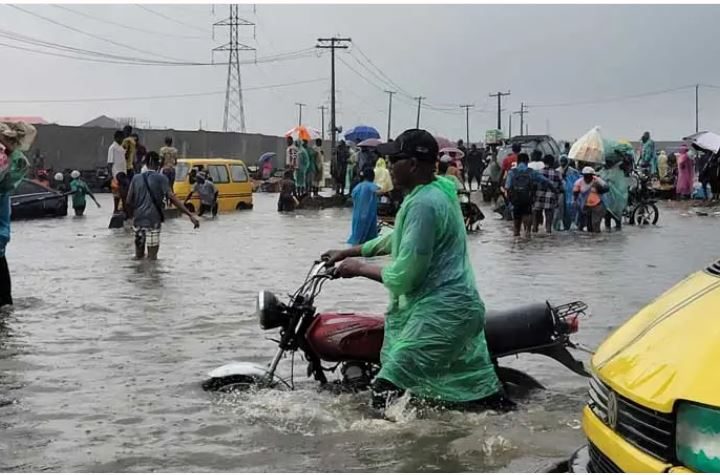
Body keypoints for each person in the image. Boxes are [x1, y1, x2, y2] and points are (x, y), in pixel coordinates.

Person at [323, 128, 508, 413]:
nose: (387, 167)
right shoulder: (437, 190)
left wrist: (357, 268)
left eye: (394, 160)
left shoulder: (424, 203)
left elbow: (405, 276)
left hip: (441, 314)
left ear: (411, 164)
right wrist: (348, 251)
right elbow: (399, 237)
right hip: (453, 308)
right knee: (471, 393)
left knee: (387, 388)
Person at [126, 151, 199, 260]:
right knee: (152, 259)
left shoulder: (136, 178)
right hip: (153, 222)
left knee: (138, 257)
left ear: (145, 163)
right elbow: (172, 198)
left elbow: (128, 201)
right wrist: (190, 215)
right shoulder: (161, 179)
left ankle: (139, 276)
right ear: (158, 164)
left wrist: (134, 214)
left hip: (139, 221)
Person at [504, 153, 553, 238]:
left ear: (518, 161)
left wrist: (509, 201)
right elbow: (545, 181)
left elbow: (507, 187)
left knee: (516, 230)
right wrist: (553, 189)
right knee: (528, 230)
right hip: (527, 200)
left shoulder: (512, 172)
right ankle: (527, 235)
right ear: (527, 161)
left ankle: (517, 241)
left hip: (516, 201)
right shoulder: (531, 172)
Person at [347, 167, 379, 245]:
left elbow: (352, 197)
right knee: (370, 240)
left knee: (356, 237)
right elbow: (379, 191)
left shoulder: (357, 187)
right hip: (369, 215)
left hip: (357, 216)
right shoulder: (372, 186)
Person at [533, 155, 563, 233]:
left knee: (535, 222)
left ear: (544, 162)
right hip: (551, 198)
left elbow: (533, 185)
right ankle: (548, 235)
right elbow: (561, 187)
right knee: (549, 223)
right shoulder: (557, 174)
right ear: (553, 162)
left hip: (538, 197)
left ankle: (534, 234)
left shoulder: (538, 172)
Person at [573, 167, 608, 233]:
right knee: (589, 226)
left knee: (595, 224)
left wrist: (598, 188)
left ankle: (596, 239)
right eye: (586, 175)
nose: (587, 177)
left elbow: (606, 188)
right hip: (586, 206)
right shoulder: (579, 182)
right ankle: (590, 241)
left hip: (597, 205)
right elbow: (575, 193)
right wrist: (575, 202)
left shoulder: (597, 181)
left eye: (589, 175)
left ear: (592, 175)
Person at [600, 159, 629, 231]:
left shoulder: (615, 172)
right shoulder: (607, 172)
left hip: (613, 199)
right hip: (610, 199)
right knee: (611, 216)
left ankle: (611, 229)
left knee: (613, 217)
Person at [555, 156, 581, 231]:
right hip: (560, 194)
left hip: (570, 195)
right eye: (561, 161)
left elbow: (577, 182)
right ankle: (559, 226)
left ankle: (569, 226)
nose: (562, 163)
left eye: (564, 161)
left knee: (570, 211)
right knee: (559, 211)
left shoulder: (573, 172)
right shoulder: (557, 171)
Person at [107, 130, 128, 214]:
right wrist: (110, 176)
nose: (122, 140)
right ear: (116, 138)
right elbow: (109, 163)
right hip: (116, 173)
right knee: (116, 193)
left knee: (123, 192)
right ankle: (115, 209)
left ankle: (123, 208)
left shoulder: (121, 148)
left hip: (123, 172)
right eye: (121, 138)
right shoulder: (112, 148)